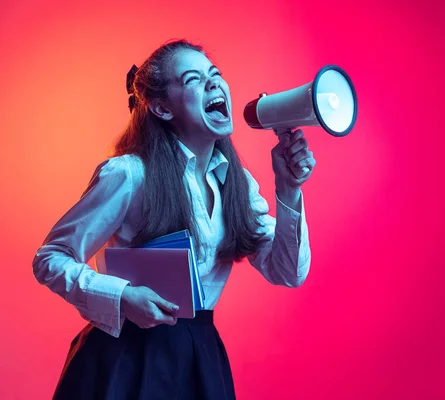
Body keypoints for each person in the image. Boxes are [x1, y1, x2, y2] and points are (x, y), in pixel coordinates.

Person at [32, 39, 315, 399]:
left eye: (215, 75)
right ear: (162, 108)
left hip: (198, 358)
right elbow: (50, 258)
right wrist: (122, 297)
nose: (213, 84)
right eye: (193, 80)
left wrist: (289, 188)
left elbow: (289, 272)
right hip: (124, 359)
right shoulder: (130, 174)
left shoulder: (238, 184)